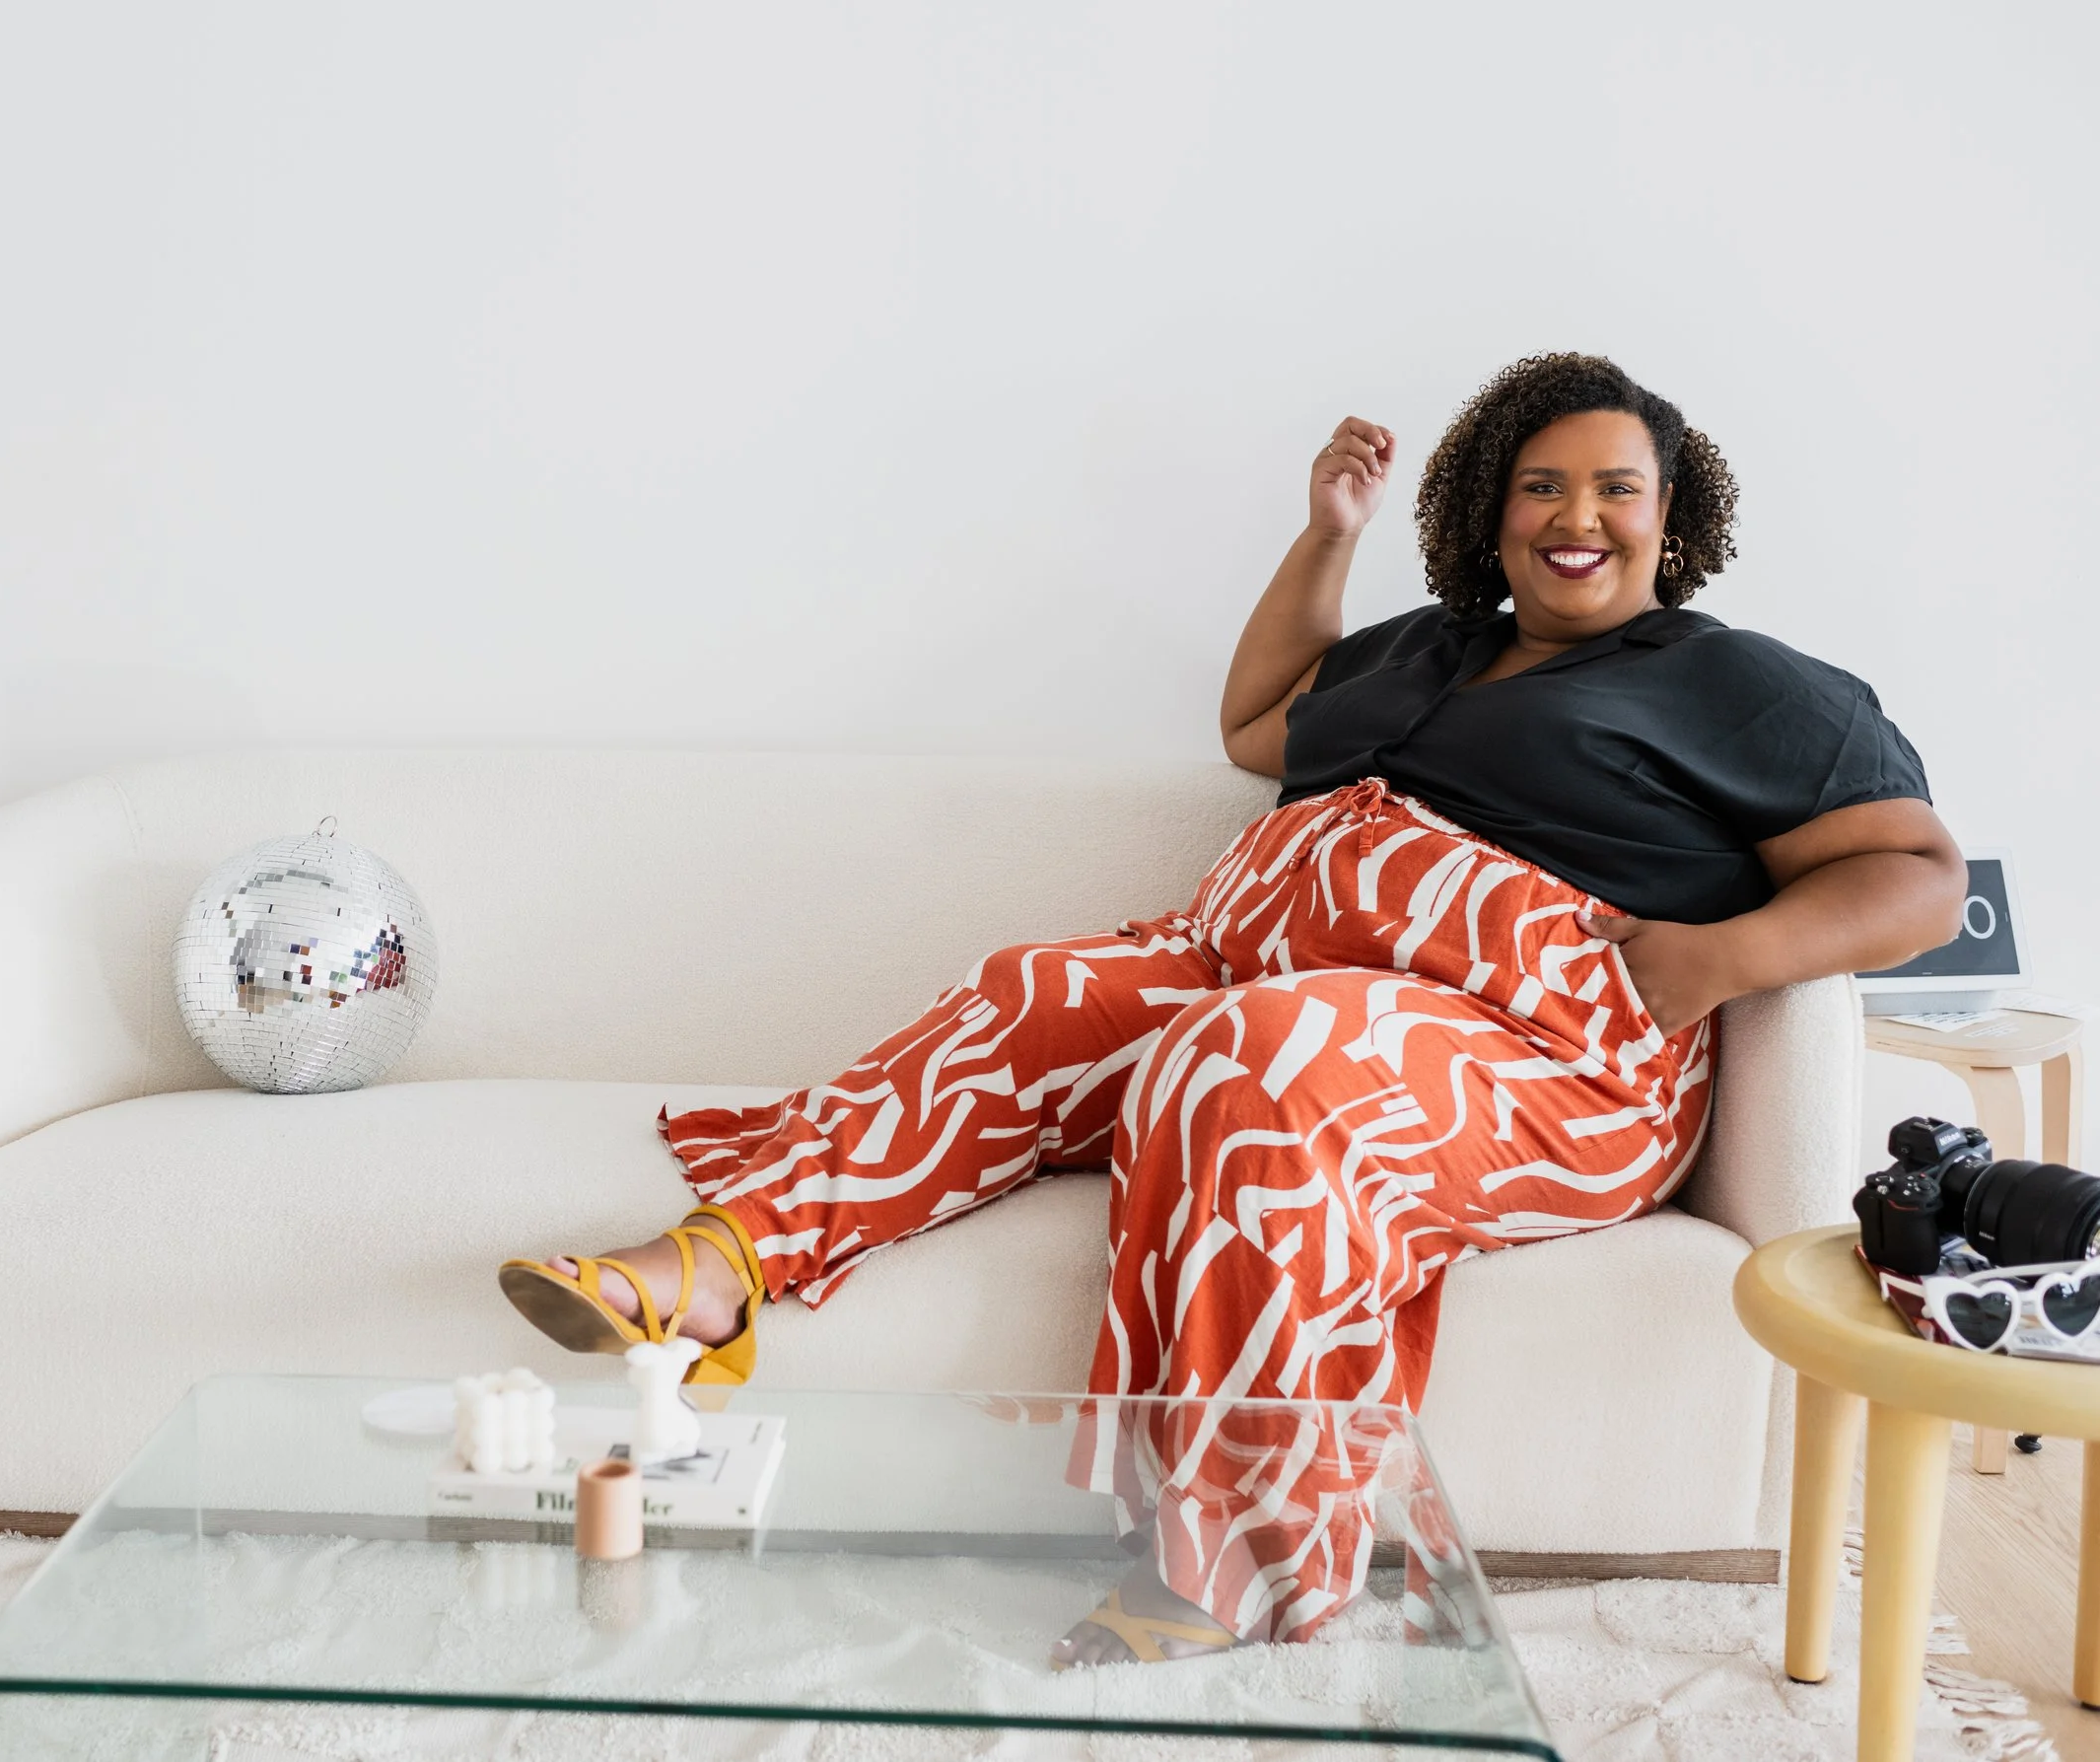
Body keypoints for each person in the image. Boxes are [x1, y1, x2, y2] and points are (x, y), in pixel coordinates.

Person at [500, 353, 1968, 1665]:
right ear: (1489, 509)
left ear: (1672, 512)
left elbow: (1915, 872)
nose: (1576, 513)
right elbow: (1259, 720)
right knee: (1043, 988)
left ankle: (1238, 1566)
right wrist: (1327, 535)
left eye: (1615, 487)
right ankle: (716, 1264)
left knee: (1256, 1061)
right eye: (1540, 485)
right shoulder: (1428, 643)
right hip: (1254, 961)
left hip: (1545, 1054)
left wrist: (1711, 963)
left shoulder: (1738, 685)